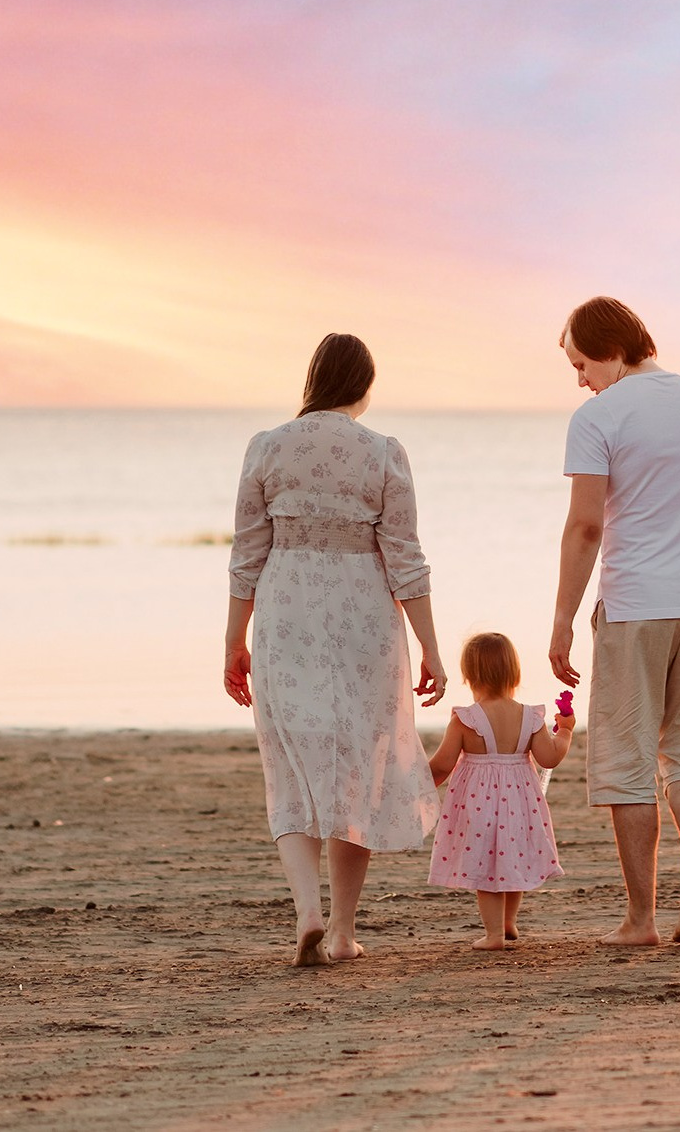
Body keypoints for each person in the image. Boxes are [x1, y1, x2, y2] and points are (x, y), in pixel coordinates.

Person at [224, 332, 446, 966]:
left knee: (288, 763)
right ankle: (344, 932)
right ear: (365, 386)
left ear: (313, 380)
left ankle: (307, 913)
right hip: (364, 620)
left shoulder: (266, 448)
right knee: (360, 766)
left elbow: (246, 556)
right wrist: (431, 648)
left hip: (286, 609)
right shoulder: (382, 454)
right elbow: (406, 560)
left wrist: (233, 641)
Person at [549, 296, 680, 947]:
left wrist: (562, 618)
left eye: (580, 363)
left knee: (629, 759)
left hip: (637, 606)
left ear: (609, 349)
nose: (580, 378)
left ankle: (641, 919)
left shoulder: (599, 415)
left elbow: (585, 525)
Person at [427, 632, 573, 950]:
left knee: (487, 867)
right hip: (521, 806)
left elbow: (442, 764)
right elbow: (550, 757)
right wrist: (565, 732)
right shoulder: (530, 717)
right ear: (515, 672)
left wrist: (416, 784)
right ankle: (508, 923)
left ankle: (494, 935)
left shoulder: (465, 720)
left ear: (468, 675)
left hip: (477, 806)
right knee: (512, 858)